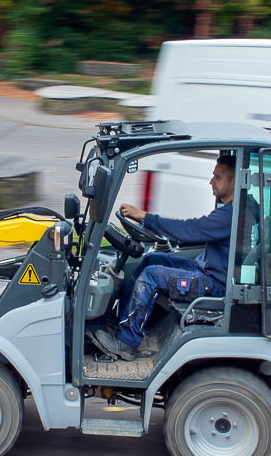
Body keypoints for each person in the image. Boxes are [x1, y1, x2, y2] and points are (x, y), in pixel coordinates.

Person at [90, 154, 238, 360]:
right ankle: (122, 323)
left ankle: (126, 343)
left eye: (218, 177)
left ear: (234, 182)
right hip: (208, 270)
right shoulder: (235, 210)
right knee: (150, 260)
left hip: (215, 284)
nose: (211, 181)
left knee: (151, 275)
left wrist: (145, 217)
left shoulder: (231, 215)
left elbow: (189, 229)